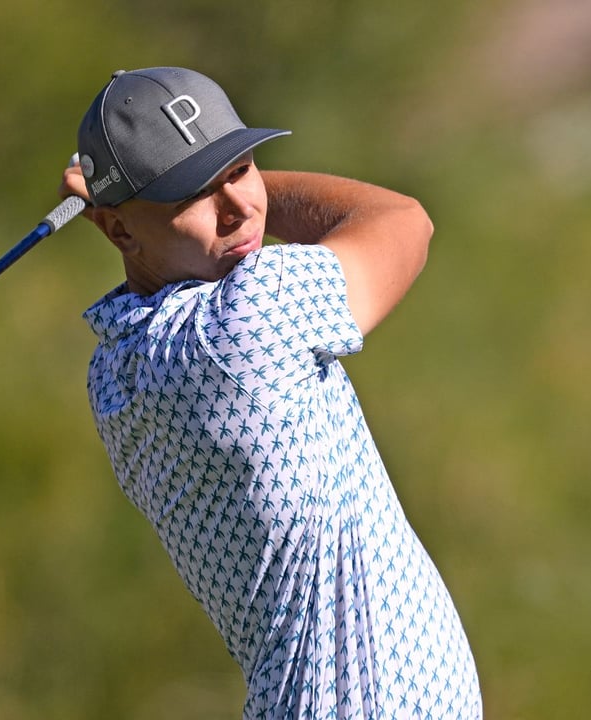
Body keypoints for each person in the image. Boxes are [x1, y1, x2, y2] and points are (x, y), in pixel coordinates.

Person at [59, 67, 482, 719]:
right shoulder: (244, 324)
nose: (239, 207)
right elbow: (403, 222)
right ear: (116, 231)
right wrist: (225, 195)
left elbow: (162, 264)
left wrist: (140, 210)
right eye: (196, 193)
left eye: (241, 167)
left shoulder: (112, 372)